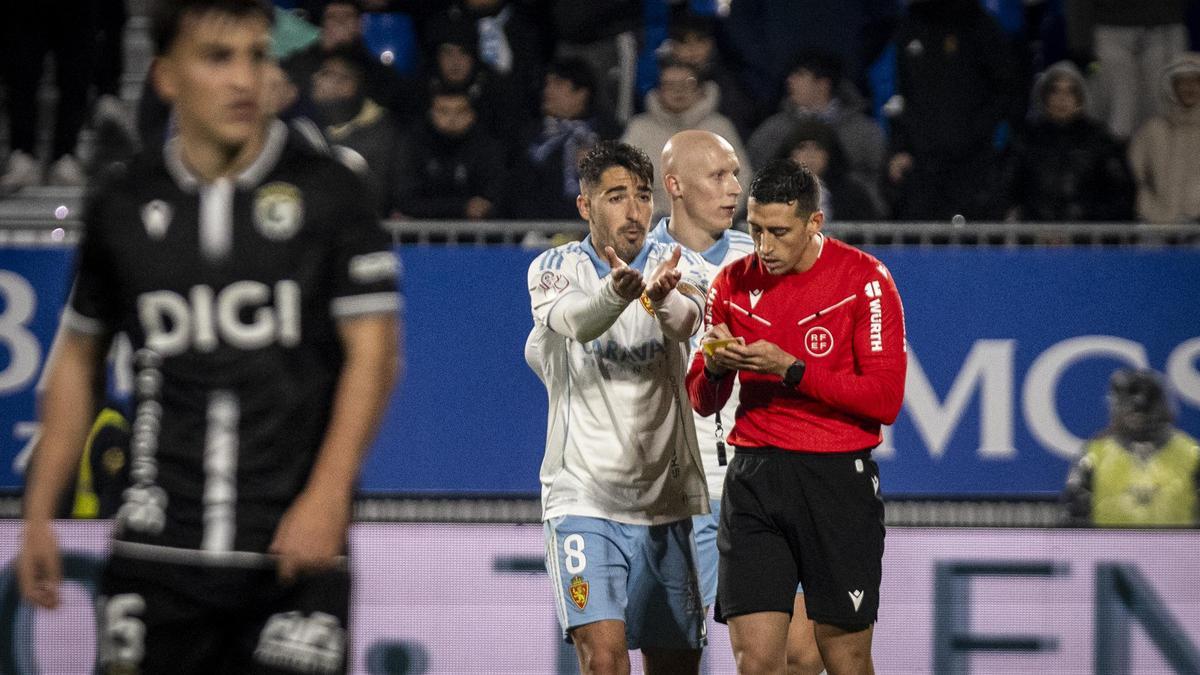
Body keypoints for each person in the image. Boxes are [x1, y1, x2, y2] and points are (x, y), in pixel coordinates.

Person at [16, 2, 402, 673]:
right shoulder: (122, 205)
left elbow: (375, 353)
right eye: (217, 58)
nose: (244, 79)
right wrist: (39, 514)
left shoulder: (333, 192)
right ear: (165, 77)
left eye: (257, 55)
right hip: (155, 552)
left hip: (292, 548)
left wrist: (328, 495)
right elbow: (78, 360)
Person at [686, 159, 907, 674]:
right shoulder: (731, 283)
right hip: (754, 477)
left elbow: (883, 399)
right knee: (757, 662)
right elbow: (701, 398)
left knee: (845, 658)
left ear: (814, 223)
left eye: (779, 232)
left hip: (835, 480)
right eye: (755, 229)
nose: (764, 246)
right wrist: (716, 367)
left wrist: (792, 370)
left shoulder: (866, 280)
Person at [526, 140, 711, 674]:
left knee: (676, 666)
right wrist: (617, 294)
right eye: (615, 196)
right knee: (604, 661)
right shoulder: (553, 267)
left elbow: (685, 321)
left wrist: (658, 296)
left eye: (643, 195)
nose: (633, 210)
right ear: (585, 206)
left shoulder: (684, 264)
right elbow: (579, 321)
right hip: (583, 499)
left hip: (665, 503)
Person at [648, 131, 825, 675]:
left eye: (735, 174)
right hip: (677, 492)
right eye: (717, 176)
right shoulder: (641, 265)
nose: (734, 189)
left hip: (764, 478)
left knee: (802, 652)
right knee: (675, 658)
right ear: (674, 186)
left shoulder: (771, 255)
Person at [1064, 369, 1200, 527]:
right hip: (1109, 550)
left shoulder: (1192, 454)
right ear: (1116, 407)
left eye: (1147, 405)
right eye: (1130, 406)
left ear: (1163, 406)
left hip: (1181, 550)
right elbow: (1073, 517)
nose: (1139, 413)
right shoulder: (1094, 455)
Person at [622, 57, 752, 221]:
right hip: (652, 228)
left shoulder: (720, 128)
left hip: (712, 227)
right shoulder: (639, 129)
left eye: (687, 83)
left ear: (700, 88)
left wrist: (718, 214)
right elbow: (622, 178)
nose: (678, 91)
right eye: (670, 85)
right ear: (659, 89)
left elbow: (741, 177)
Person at [1008, 60, 1133, 222]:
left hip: (1089, 242)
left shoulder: (1100, 140)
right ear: (1044, 96)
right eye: (1055, 91)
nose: (1062, 99)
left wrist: (1085, 223)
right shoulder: (1026, 139)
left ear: (1080, 99)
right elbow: (1009, 189)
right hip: (1035, 241)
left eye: (1070, 92)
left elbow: (1121, 193)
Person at [747, 51, 885, 197]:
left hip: (854, 214)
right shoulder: (773, 129)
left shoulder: (862, 130)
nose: (790, 80)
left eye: (800, 74)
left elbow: (881, 176)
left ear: (823, 84)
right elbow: (752, 172)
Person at [391, 86, 506, 220]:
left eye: (460, 111)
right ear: (431, 114)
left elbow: (494, 198)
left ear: (472, 115)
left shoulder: (487, 147)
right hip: (424, 238)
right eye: (443, 111)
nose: (452, 118)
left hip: (475, 238)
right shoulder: (415, 145)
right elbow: (406, 200)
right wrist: (463, 207)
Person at [1127, 52, 1200, 224]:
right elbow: (1132, 177)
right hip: (1155, 227)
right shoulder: (1151, 130)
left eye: (1195, 81)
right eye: (1182, 81)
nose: (1189, 87)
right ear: (1172, 87)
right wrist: (1150, 210)